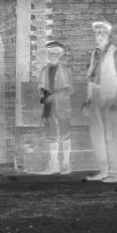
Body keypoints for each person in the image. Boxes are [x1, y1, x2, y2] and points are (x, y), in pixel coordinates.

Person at [83, 21, 117, 183]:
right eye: (97, 33)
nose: (99, 36)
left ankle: (115, 172)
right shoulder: (95, 53)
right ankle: (103, 170)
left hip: (110, 98)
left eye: (102, 33)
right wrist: (88, 100)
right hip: (95, 98)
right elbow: (91, 79)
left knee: (111, 136)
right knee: (97, 136)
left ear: (109, 35)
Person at [38, 40, 74, 174]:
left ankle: (66, 164)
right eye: (50, 53)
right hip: (49, 107)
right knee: (52, 136)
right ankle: (53, 164)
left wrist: (54, 95)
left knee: (65, 135)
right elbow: (40, 85)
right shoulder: (44, 70)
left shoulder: (64, 70)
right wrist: (43, 92)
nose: (52, 55)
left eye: (55, 53)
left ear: (60, 55)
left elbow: (70, 89)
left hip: (62, 107)